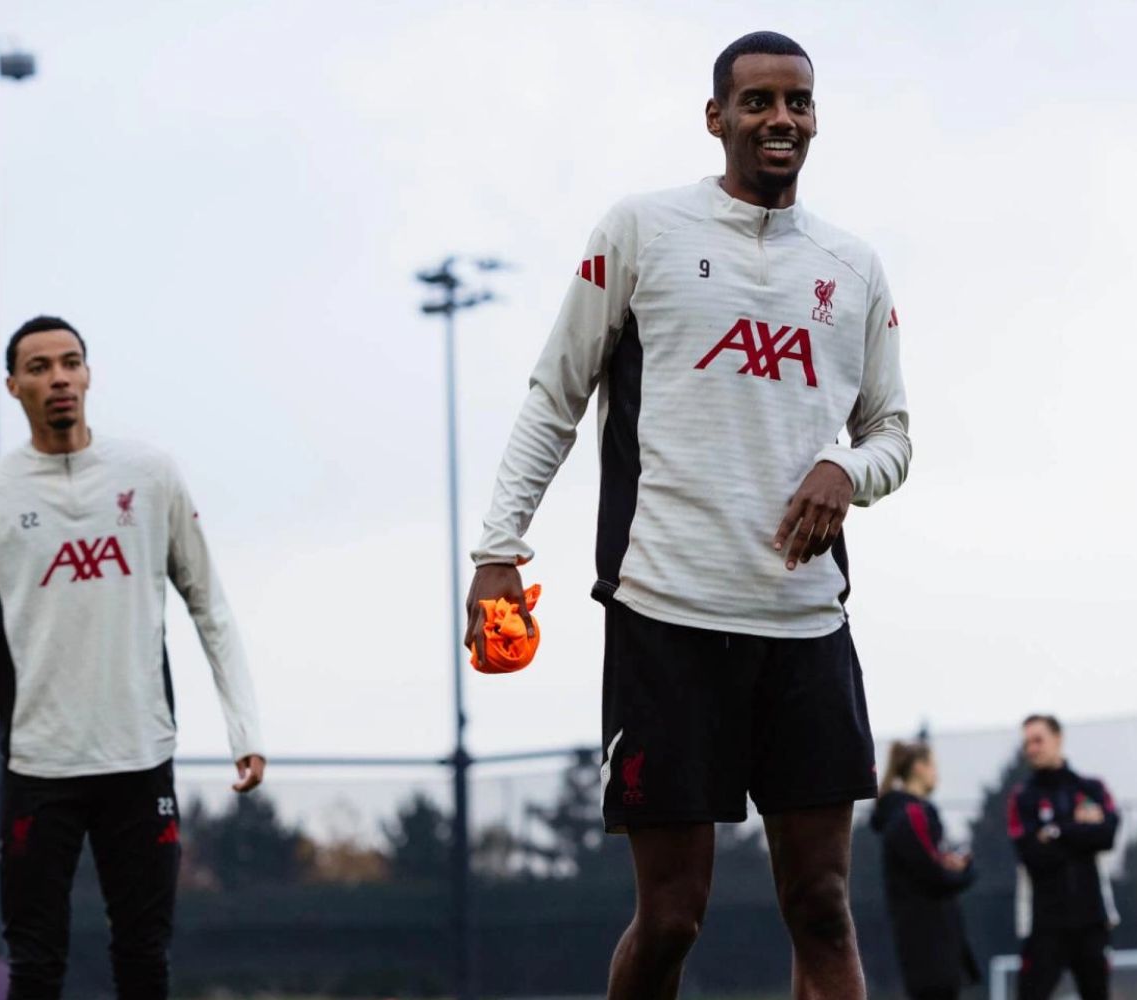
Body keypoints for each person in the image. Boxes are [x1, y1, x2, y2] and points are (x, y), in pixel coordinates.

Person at [464, 30, 911, 999]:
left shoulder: (854, 267)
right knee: (671, 920)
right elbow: (554, 397)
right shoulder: (641, 231)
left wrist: (844, 467)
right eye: (757, 102)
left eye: (797, 101)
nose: (779, 119)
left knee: (824, 905)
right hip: (667, 616)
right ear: (716, 119)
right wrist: (499, 549)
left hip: (805, 626)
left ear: (816, 116)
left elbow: (894, 437)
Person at [0, 315, 266, 999]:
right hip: (37, 763)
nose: (59, 379)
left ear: (89, 373)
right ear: (14, 385)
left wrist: (245, 730)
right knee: (35, 962)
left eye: (70, 363)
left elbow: (211, 607)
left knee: (143, 954)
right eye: (40, 368)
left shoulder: (151, 474)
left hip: (139, 755)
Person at [1007, 715, 1120, 1000]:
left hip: (1092, 920)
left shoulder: (1091, 788)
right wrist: (1079, 829)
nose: (1031, 748)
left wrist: (1056, 830)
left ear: (1058, 738)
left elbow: (1106, 835)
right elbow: (1032, 854)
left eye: (1038, 740)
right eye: (1026, 743)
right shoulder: (1022, 798)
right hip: (1044, 925)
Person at [870, 741, 979, 1000]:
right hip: (930, 945)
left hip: (927, 944)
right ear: (919, 768)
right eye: (933, 767)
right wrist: (966, 871)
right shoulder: (913, 815)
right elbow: (934, 874)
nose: (936, 774)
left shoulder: (907, 814)